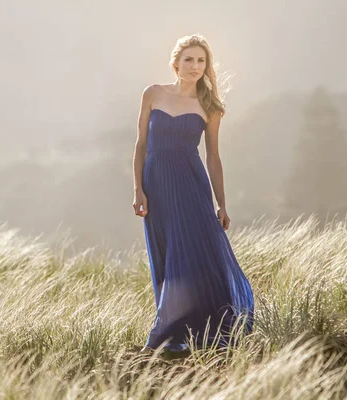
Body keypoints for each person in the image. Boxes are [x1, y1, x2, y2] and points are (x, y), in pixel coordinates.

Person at [132, 33, 255, 355]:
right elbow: (141, 145)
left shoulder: (210, 107)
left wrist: (222, 203)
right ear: (176, 62)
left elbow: (213, 156)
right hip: (156, 185)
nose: (195, 66)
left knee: (192, 254)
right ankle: (180, 333)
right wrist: (138, 189)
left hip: (191, 185)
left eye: (201, 61)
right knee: (167, 253)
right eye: (189, 59)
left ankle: (167, 335)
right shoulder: (153, 94)